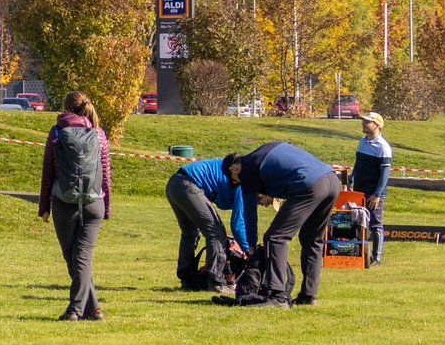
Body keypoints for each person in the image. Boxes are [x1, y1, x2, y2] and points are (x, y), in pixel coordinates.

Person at [224, 141, 341, 307]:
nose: (240, 184)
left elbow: (249, 212)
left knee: (275, 237)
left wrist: (250, 246)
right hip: (332, 181)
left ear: (234, 169)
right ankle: (308, 296)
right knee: (312, 240)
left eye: (236, 181)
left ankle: (277, 296)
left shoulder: (248, 169)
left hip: (310, 184)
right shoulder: (263, 153)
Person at [38, 90, 113, 321]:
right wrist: (107, 205)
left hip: (64, 201)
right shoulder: (99, 133)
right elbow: (106, 174)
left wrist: (44, 206)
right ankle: (94, 308)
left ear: (65, 107)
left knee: (74, 258)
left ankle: (75, 310)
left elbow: (48, 171)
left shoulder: (57, 131)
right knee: (82, 257)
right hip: (94, 202)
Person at [166, 154, 250, 294]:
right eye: (267, 202)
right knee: (216, 233)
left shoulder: (241, 180)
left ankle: (187, 280)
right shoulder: (246, 185)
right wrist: (248, 250)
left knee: (190, 233)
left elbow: (222, 201)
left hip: (175, 183)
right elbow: (237, 225)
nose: (264, 205)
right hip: (189, 184)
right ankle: (216, 282)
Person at [350, 111, 392, 265]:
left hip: (374, 192)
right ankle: (359, 254)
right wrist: (351, 178)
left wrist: (377, 194)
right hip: (358, 190)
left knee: (375, 223)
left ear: (377, 125)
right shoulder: (362, 141)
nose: (363, 123)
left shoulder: (383, 147)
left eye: (367, 121)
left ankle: (377, 258)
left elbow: (385, 174)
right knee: (358, 221)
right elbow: (358, 163)